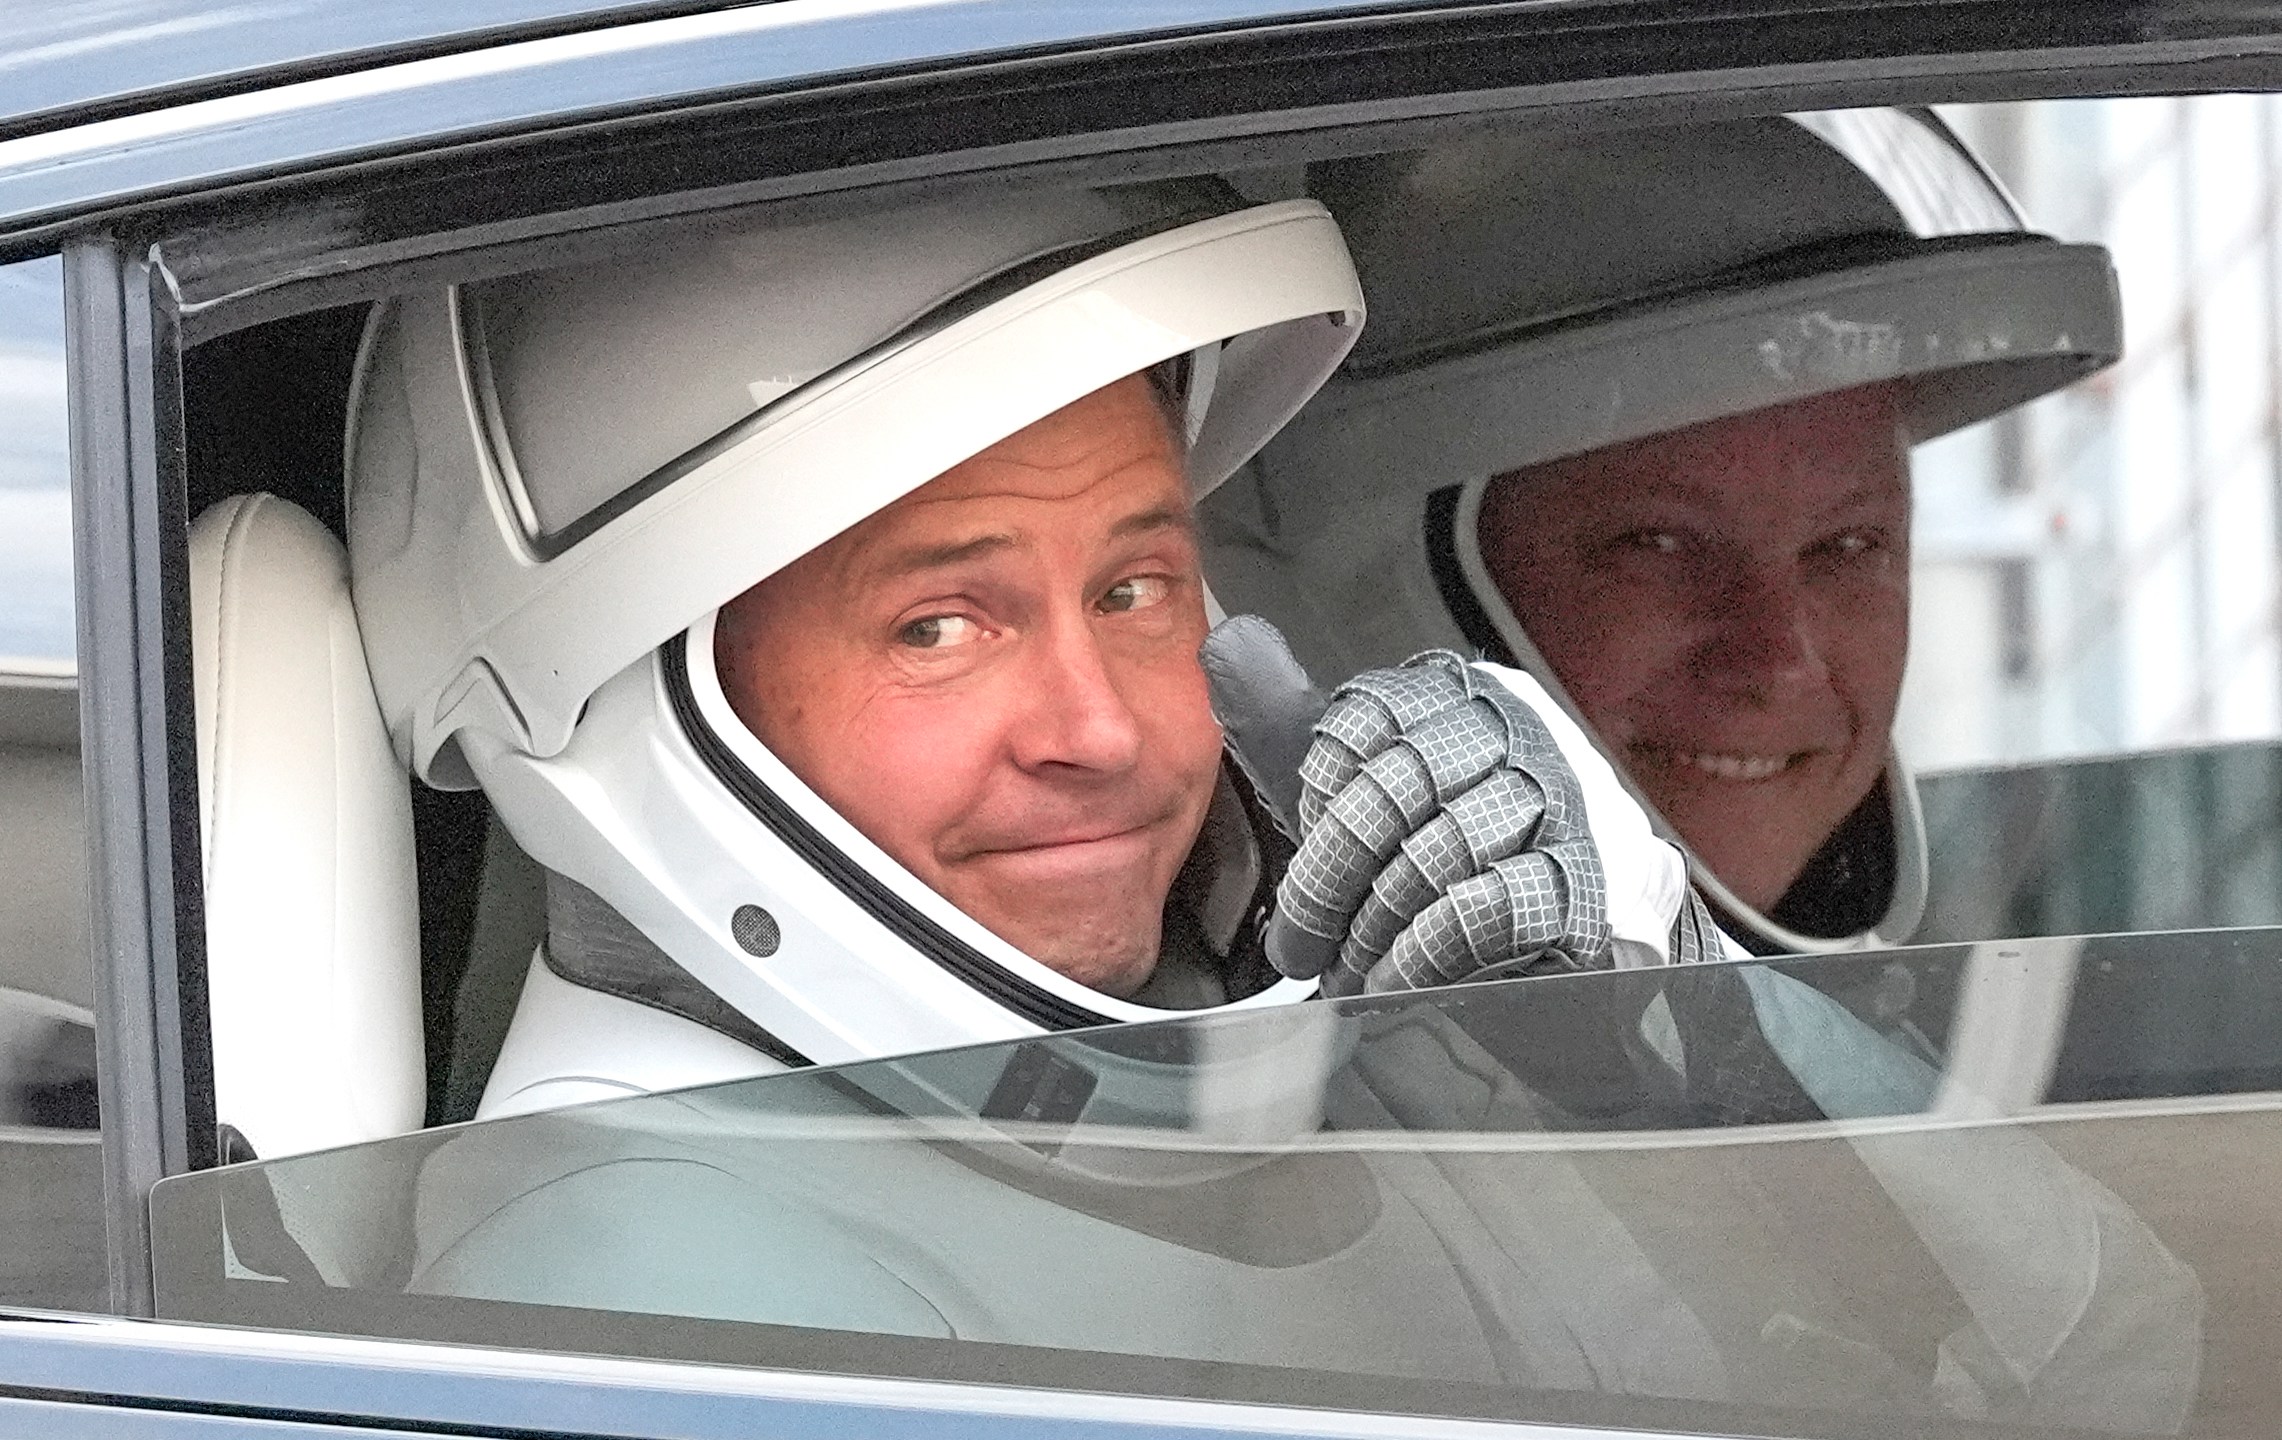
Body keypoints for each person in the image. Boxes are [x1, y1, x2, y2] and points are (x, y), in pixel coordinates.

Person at [342, 181, 1706, 1119]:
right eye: (936, 626)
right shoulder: (632, 1325)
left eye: (1132, 590)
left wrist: (1665, 1032)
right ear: (613, 707)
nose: (1101, 730)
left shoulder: (1249, 1068)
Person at [1207, 109, 2124, 952]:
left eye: (1849, 546)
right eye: (1659, 545)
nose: (1778, 660)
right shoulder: (1273, 1082)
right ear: (1349, 572)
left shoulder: (1935, 1053)